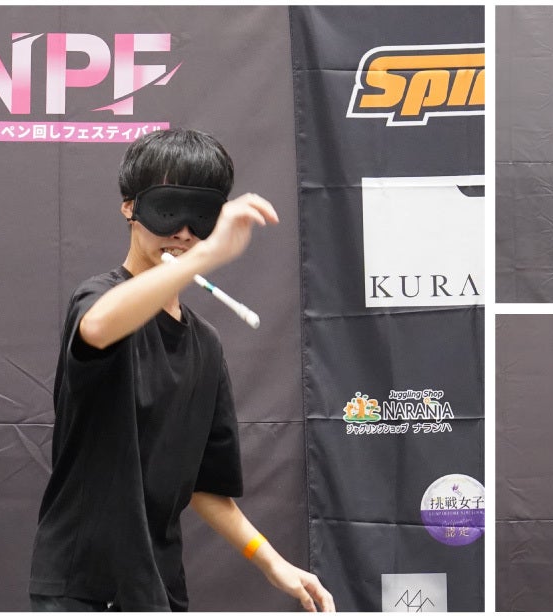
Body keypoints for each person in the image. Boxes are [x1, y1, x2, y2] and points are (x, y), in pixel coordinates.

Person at [29, 128, 334, 612]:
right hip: (85, 589)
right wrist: (206, 257)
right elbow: (100, 327)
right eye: (168, 209)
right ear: (129, 207)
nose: (184, 232)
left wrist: (272, 562)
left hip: (160, 590)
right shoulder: (98, 299)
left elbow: (206, 488)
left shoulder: (205, 345)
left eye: (201, 215)